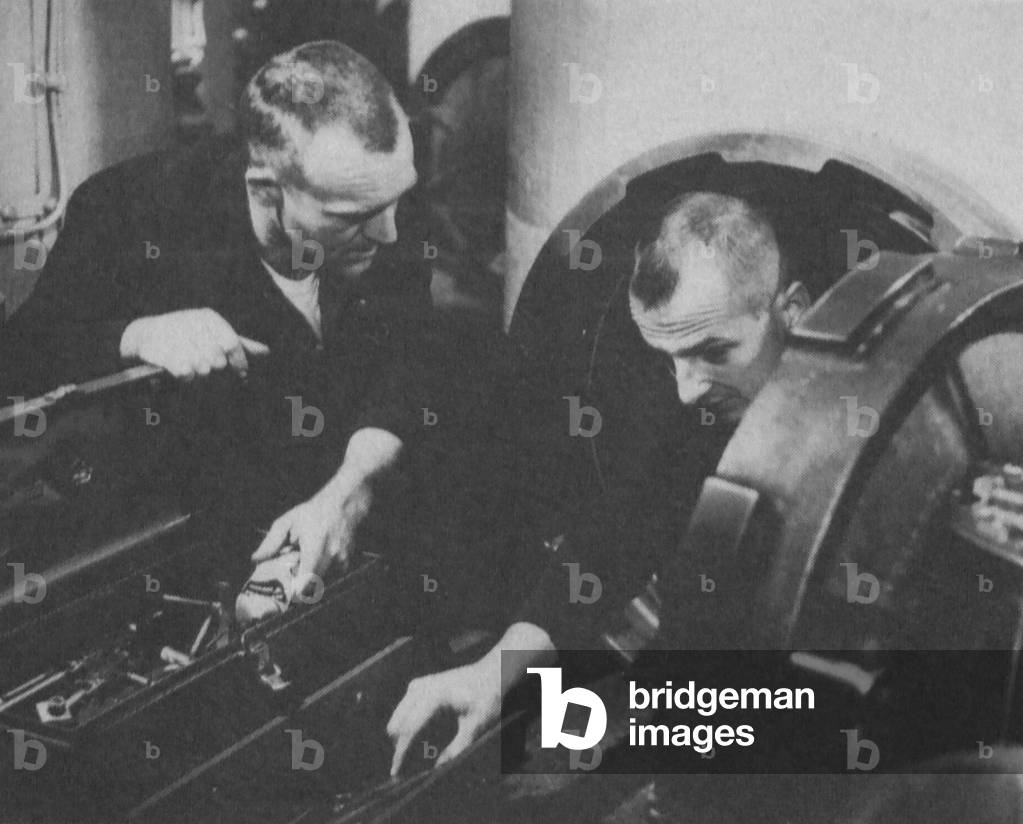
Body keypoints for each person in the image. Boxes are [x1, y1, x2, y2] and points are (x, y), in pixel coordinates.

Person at [386, 191, 811, 774]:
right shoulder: (697, 405)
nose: (689, 388)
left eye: (714, 351)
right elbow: (618, 532)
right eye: (671, 359)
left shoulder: (869, 431)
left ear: (794, 310)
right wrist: (498, 670)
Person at [0, 41, 433, 589]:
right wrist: (139, 335)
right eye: (354, 218)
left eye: (397, 203)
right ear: (266, 190)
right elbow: (20, 358)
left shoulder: (378, 188)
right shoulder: (131, 213)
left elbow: (411, 349)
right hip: (192, 556)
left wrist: (352, 487)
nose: (390, 232)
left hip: (360, 517)